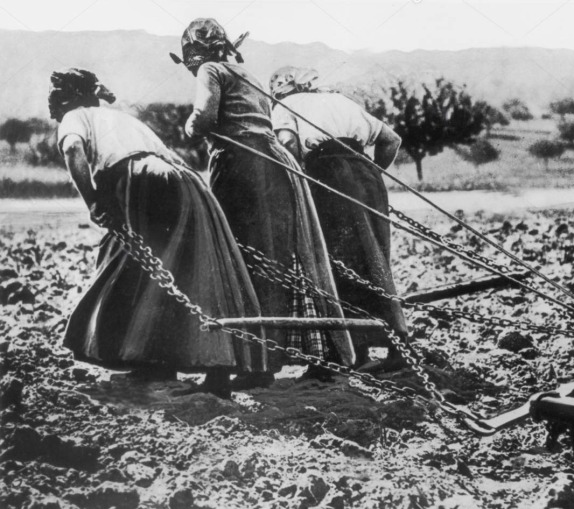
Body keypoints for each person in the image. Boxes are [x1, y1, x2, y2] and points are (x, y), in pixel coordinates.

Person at [50, 68, 271, 397]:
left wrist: (93, 201)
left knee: (129, 268)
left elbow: (72, 150)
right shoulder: (120, 119)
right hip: (187, 181)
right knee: (194, 270)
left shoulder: (75, 116)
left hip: (139, 178)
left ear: (68, 99)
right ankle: (212, 370)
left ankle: (151, 361)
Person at [171, 19, 355, 381]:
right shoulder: (248, 73)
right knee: (280, 258)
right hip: (274, 166)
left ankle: (256, 365)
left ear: (196, 53)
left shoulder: (211, 70)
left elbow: (204, 117)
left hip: (241, 168)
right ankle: (295, 356)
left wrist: (190, 128)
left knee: (237, 259)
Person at [269, 67, 408, 371]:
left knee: (339, 263)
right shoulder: (341, 101)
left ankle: (357, 352)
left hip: (327, 177)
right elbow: (391, 140)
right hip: (368, 178)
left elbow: (288, 145)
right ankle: (400, 346)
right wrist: (368, 172)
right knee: (376, 260)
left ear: (279, 90)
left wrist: (302, 180)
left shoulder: (283, 107)